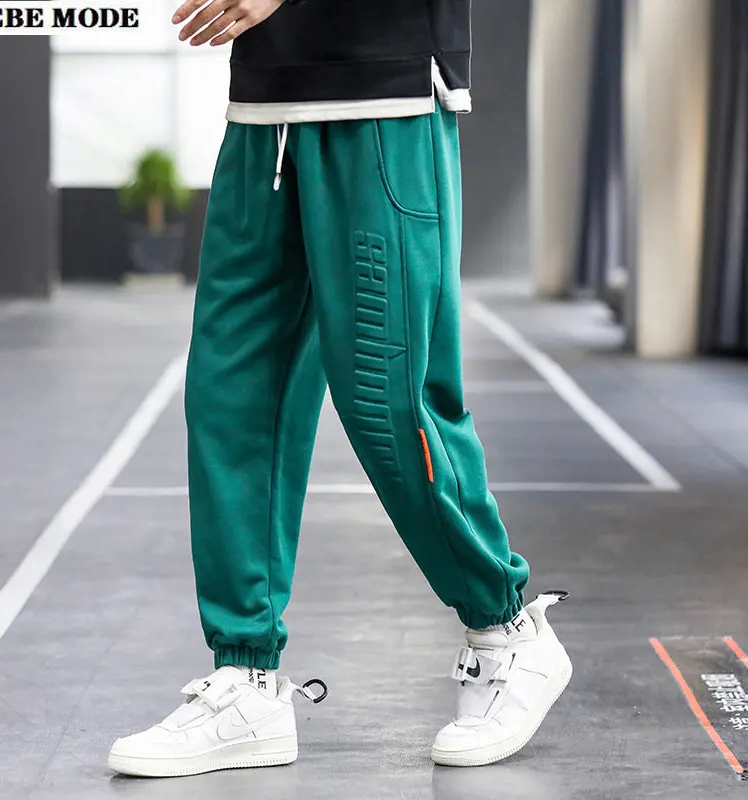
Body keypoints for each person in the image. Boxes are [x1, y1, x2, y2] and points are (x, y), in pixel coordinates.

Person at [107, 0, 572, 777]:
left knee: (390, 400)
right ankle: (248, 677)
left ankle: (506, 634)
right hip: (265, 105)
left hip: (383, 94)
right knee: (231, 397)